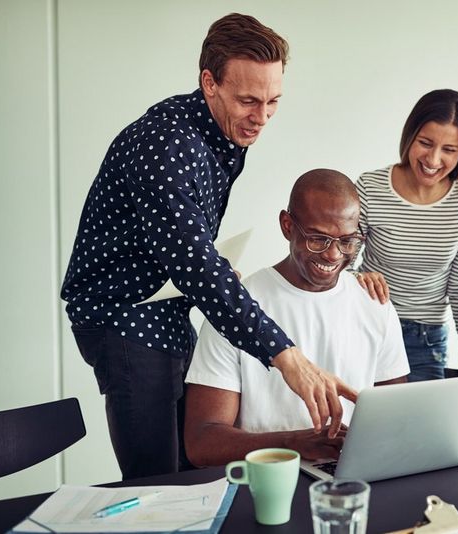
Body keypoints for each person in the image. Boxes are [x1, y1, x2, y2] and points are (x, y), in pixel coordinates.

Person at [60, 13, 355, 480]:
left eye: (273, 101)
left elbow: (185, 245)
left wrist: (207, 268)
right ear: (209, 82)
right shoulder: (167, 144)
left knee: (196, 464)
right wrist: (289, 358)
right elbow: (196, 265)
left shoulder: (218, 132)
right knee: (159, 481)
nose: (261, 117)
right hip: (124, 315)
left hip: (165, 306)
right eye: (248, 101)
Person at [183, 169, 409, 465]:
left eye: (347, 241)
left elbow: (401, 421)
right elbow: (202, 443)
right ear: (287, 226)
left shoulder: (374, 302)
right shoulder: (235, 307)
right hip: (264, 479)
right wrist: (293, 444)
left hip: (353, 478)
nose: (333, 255)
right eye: (318, 239)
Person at [354, 89, 458, 381]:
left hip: (426, 338)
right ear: (410, 136)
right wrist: (356, 277)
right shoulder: (370, 187)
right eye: (425, 143)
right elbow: (338, 264)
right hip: (367, 325)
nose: (433, 159)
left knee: (421, 425)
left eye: (449, 150)